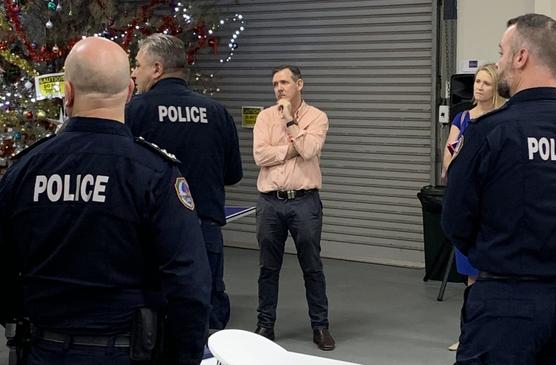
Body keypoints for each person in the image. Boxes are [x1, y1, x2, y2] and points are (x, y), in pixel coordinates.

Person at [0, 37, 211, 364]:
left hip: (40, 348)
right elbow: (188, 282)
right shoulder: (155, 173)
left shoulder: (24, 169)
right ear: (129, 91)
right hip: (125, 351)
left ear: (67, 93)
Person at [442, 13, 556, 364]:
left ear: (521, 57)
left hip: (505, 304)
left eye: (502, 52)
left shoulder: (489, 131)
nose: (499, 63)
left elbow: (455, 220)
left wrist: (498, 255)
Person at [127, 33, 243, 332]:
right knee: (206, 308)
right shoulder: (217, 113)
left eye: (137, 65)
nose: (133, 72)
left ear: (156, 68)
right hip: (204, 229)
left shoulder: (135, 111)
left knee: (154, 315)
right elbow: (233, 175)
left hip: (151, 234)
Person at [252, 65, 334, 351]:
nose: (279, 88)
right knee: (267, 268)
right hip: (270, 203)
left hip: (304, 202)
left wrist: (289, 121)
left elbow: (310, 150)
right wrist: (291, 149)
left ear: (299, 84)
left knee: (312, 267)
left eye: (284, 82)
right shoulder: (264, 117)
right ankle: (265, 324)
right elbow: (260, 156)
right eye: (275, 83)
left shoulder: (318, 117)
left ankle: (320, 326)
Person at [442, 63, 505, 352]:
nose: (479, 87)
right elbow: (449, 161)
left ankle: (499, 335)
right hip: (470, 207)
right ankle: (469, 335)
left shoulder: (504, 120)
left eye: (486, 83)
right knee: (472, 278)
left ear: (496, 89)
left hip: (496, 208)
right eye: (477, 82)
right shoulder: (463, 119)